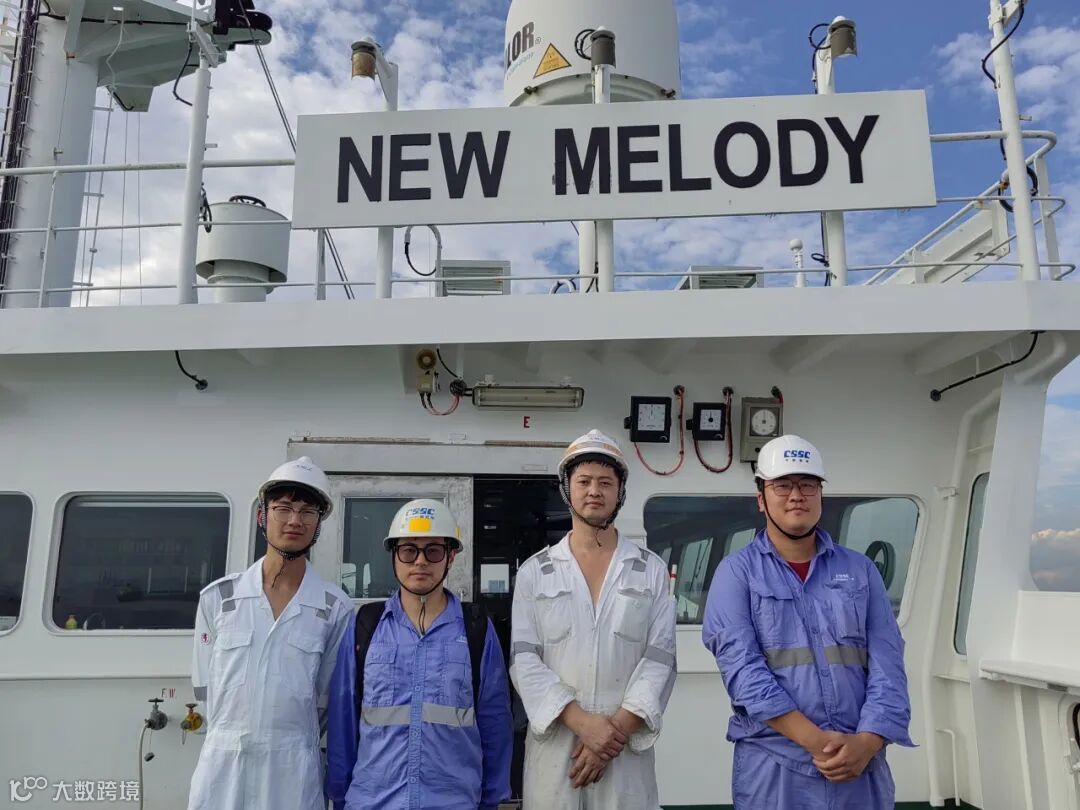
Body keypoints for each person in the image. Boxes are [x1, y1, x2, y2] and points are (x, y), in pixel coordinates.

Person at [702, 435, 913, 809]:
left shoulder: (861, 570)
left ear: (820, 494)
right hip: (776, 766)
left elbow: (889, 663)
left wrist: (868, 742)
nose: (796, 496)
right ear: (761, 498)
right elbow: (742, 670)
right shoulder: (736, 574)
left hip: (860, 764)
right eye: (782, 485)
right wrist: (818, 743)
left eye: (808, 484)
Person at [510, 430, 677, 810]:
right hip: (557, 750)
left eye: (606, 482)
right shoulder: (536, 573)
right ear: (567, 490)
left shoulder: (650, 571)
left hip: (623, 751)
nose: (594, 491)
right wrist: (583, 724)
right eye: (583, 481)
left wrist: (611, 736)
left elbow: (661, 659)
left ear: (620, 492)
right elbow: (524, 661)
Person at [325, 499, 513, 810]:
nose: (420, 561)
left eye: (433, 551)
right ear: (394, 555)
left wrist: (492, 800)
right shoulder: (365, 626)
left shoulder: (476, 630)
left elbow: (495, 722)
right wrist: (340, 795)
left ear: (451, 557)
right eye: (409, 550)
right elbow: (343, 719)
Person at [188, 457, 352, 810]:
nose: (295, 520)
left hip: (292, 767)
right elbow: (205, 688)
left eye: (308, 512)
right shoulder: (219, 598)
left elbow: (326, 699)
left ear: (319, 523)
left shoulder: (334, 607)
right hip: (224, 762)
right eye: (283, 508)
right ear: (263, 515)